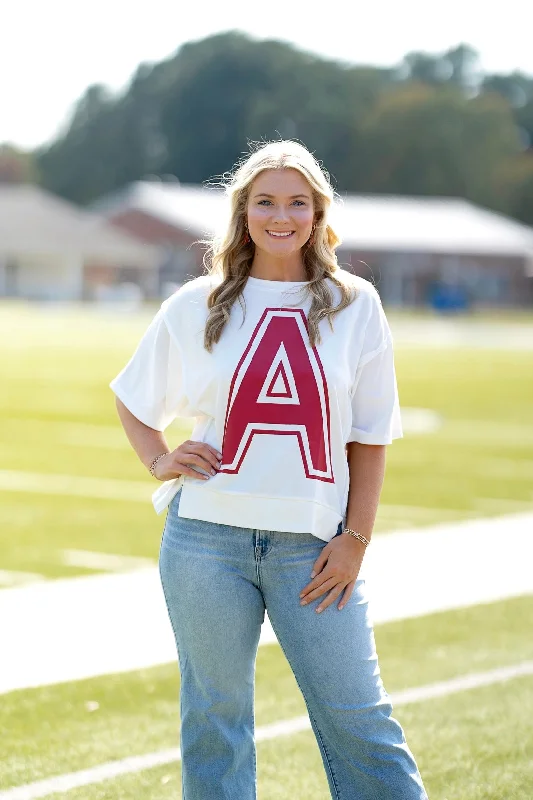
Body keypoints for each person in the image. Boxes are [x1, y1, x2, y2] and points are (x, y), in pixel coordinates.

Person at [110, 140, 428, 800]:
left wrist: (355, 540)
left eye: (296, 203)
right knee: (214, 722)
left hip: (313, 553)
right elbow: (133, 396)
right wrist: (158, 458)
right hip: (203, 542)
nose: (280, 217)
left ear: (317, 214)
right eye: (265, 202)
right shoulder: (195, 303)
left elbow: (369, 439)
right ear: (242, 212)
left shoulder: (353, 303)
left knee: (357, 720)